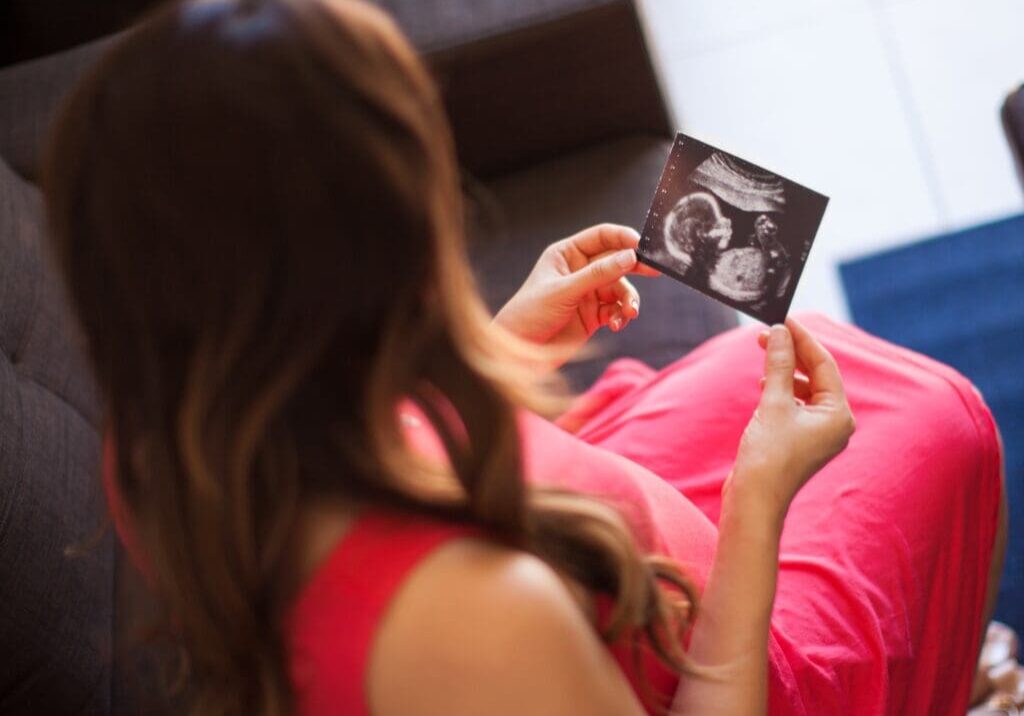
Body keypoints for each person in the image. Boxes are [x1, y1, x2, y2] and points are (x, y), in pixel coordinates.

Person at [41, 1, 1007, 715]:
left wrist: (501, 345)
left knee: (815, 363)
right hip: (716, 656)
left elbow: (359, 449)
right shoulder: (473, 621)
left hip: (584, 529)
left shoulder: (174, 426)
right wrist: (759, 502)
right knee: (940, 418)